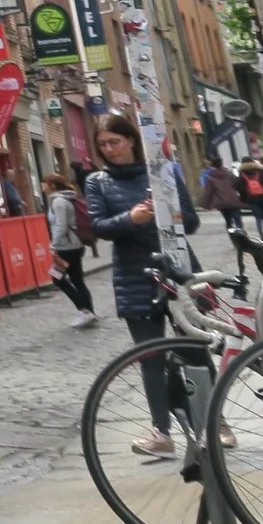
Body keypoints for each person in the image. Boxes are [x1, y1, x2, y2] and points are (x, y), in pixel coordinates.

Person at [87, 113, 198, 455]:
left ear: (131, 140)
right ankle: (161, 433)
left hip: (178, 268)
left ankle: (213, 424)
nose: (110, 150)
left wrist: (166, 212)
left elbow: (191, 221)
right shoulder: (98, 182)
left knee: (194, 350)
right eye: (103, 145)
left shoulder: (162, 171)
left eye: (115, 142)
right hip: (135, 275)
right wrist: (130, 218)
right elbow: (99, 226)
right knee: (150, 356)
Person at [42, 173, 98, 327]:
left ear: (53, 185)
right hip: (74, 245)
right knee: (77, 280)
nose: (43, 186)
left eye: (45, 183)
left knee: (57, 278)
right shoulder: (66, 198)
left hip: (66, 247)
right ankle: (90, 312)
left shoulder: (59, 201)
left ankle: (84, 311)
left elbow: (61, 225)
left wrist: (54, 245)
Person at [237, 154, 263, 246]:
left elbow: (239, 187)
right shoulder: (260, 171)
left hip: (252, 199)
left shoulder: (242, 173)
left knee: (258, 219)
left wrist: (244, 198)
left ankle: (262, 239)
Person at [200, 160, 243, 235]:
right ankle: (243, 238)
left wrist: (205, 205)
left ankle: (234, 240)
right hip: (233, 200)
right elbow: (238, 185)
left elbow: (208, 192)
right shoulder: (229, 174)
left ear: (213, 166)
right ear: (222, 164)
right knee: (238, 221)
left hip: (222, 203)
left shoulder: (211, 178)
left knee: (228, 222)